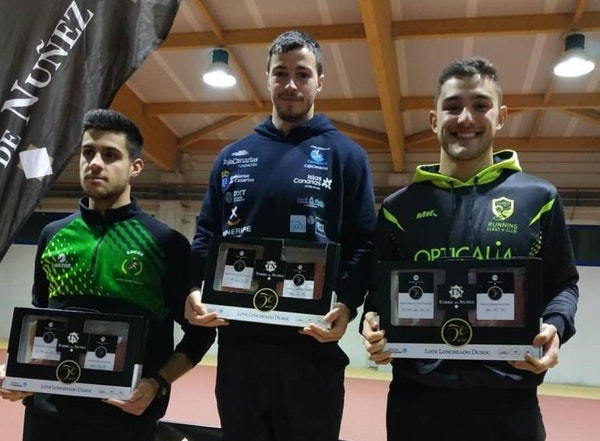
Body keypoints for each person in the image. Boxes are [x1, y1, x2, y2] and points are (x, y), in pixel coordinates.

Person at [361, 57, 579, 441]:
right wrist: (372, 325)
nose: (465, 118)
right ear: (434, 120)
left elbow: (563, 284)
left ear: (501, 116)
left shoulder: (539, 198)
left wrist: (555, 326)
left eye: (480, 105)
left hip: (510, 402)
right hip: (417, 402)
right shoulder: (399, 208)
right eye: (452, 106)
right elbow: (380, 295)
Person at [185, 30, 377, 441]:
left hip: (311, 352)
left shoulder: (347, 157)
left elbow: (364, 243)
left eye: (302, 74)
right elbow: (206, 236)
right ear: (268, 78)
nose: (291, 84)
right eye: (281, 73)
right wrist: (193, 289)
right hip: (240, 354)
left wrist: (346, 304)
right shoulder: (231, 157)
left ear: (319, 81)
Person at [0, 109, 216, 441]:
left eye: (110, 155)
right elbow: (40, 317)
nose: (95, 163)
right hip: (48, 415)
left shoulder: (165, 243)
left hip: (124, 419)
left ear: (135, 167)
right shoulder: (53, 235)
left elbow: (200, 334)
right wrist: (18, 370)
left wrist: (157, 384)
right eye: (88, 153)